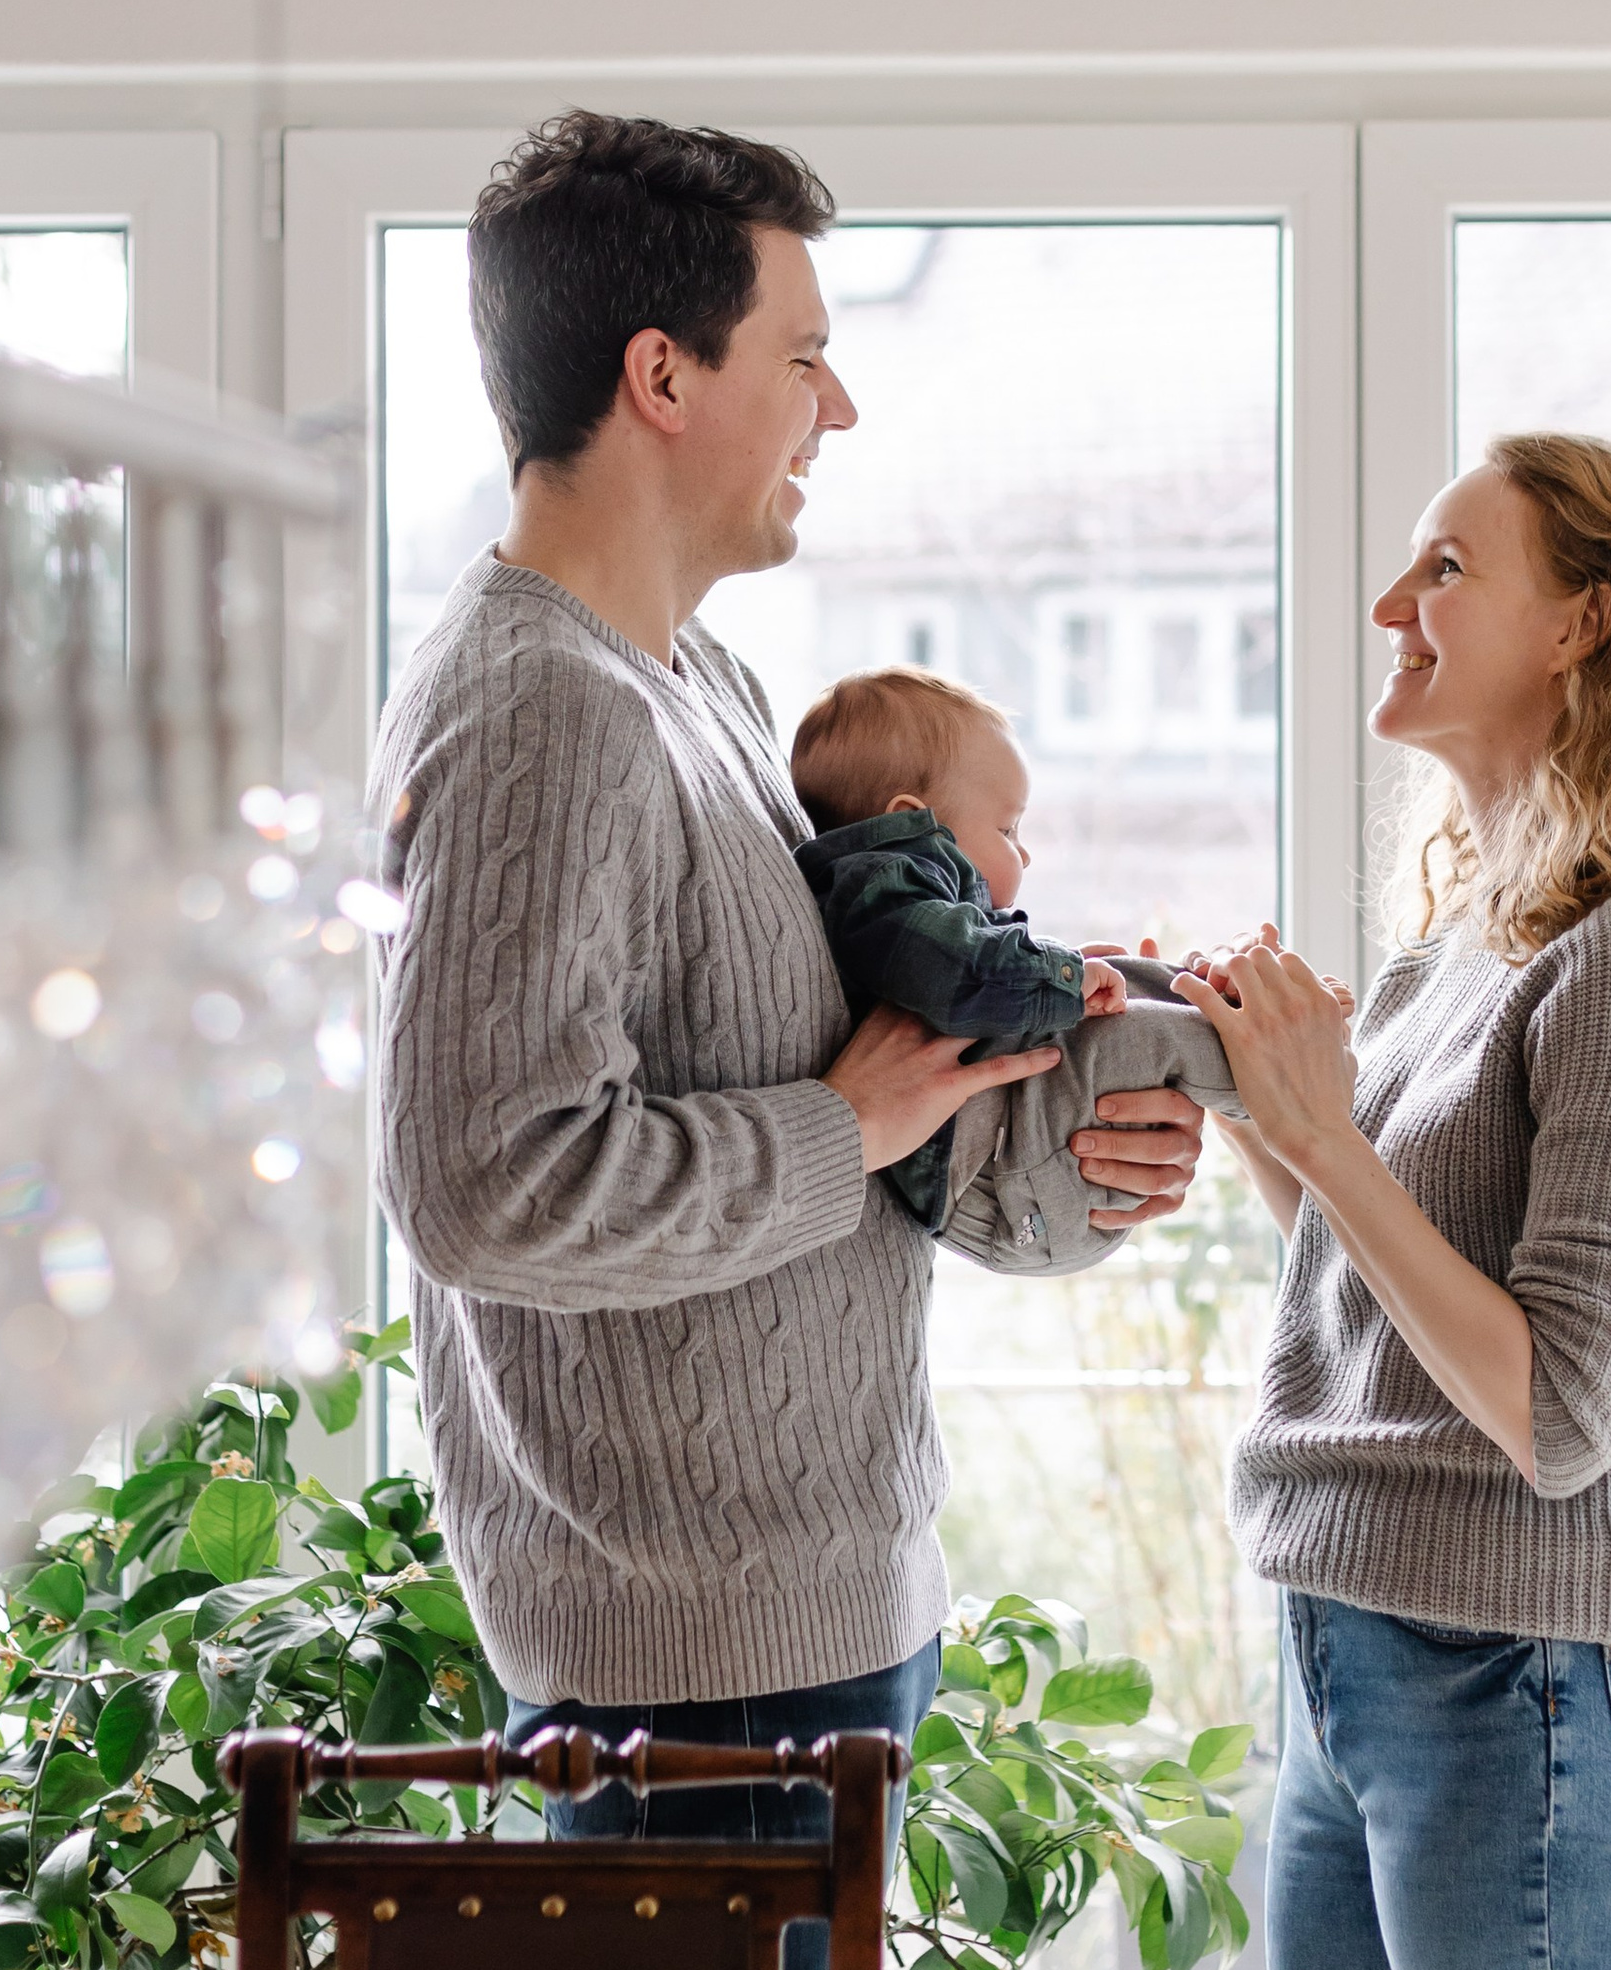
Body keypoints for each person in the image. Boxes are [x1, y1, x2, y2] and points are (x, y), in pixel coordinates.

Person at [366, 112, 1206, 1953]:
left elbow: (850, 1096)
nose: (842, 409)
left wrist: (1047, 1154)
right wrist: (855, 1128)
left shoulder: (707, 695)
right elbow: (485, 1188)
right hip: (700, 1685)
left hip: (795, 1642)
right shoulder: (540, 715)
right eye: (806, 357)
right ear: (661, 376)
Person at [1172, 433, 1611, 1970]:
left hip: (1530, 1695)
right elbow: (1394, 1291)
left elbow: (1559, 1414)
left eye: (1446, 568)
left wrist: (1325, 1142)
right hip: (1349, 1657)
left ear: (1581, 625)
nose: (1394, 600)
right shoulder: (1469, 937)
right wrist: (1241, 1092)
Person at [790, 663, 1246, 1239]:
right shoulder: (881, 890)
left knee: (1119, 977)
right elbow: (961, 973)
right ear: (911, 821)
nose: (1023, 856)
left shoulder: (900, 903)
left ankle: (1224, 1003)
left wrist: (1067, 973)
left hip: (1005, 1143)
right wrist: (1056, 976)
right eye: (1008, 831)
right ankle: (1276, 1066)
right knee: (1133, 1032)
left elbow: (976, 966)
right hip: (989, 1178)